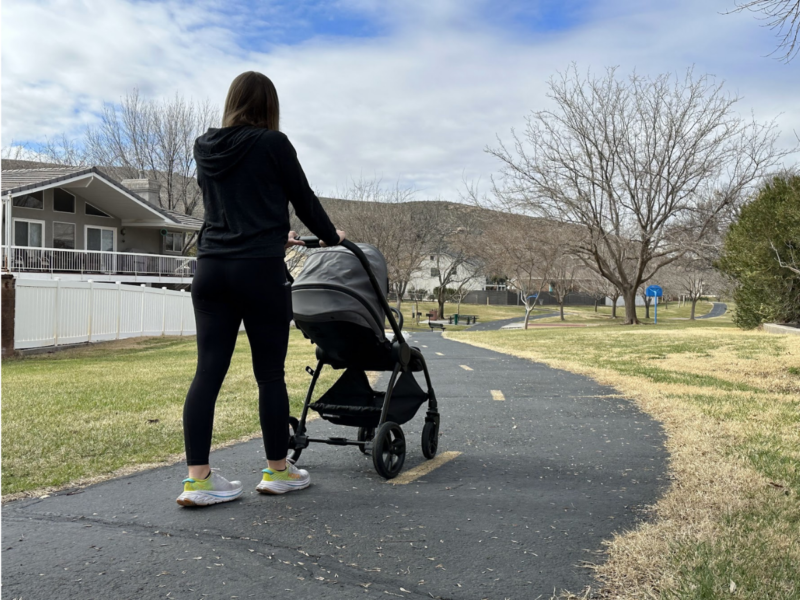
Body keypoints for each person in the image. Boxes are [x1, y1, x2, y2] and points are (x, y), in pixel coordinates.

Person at [176, 71, 345, 507]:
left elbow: (233, 205)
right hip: (257, 271)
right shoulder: (274, 144)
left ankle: (198, 480)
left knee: (207, 372)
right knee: (268, 373)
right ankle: (278, 472)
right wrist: (330, 237)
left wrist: (275, 233)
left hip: (211, 268)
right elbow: (302, 198)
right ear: (268, 106)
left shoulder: (204, 146)